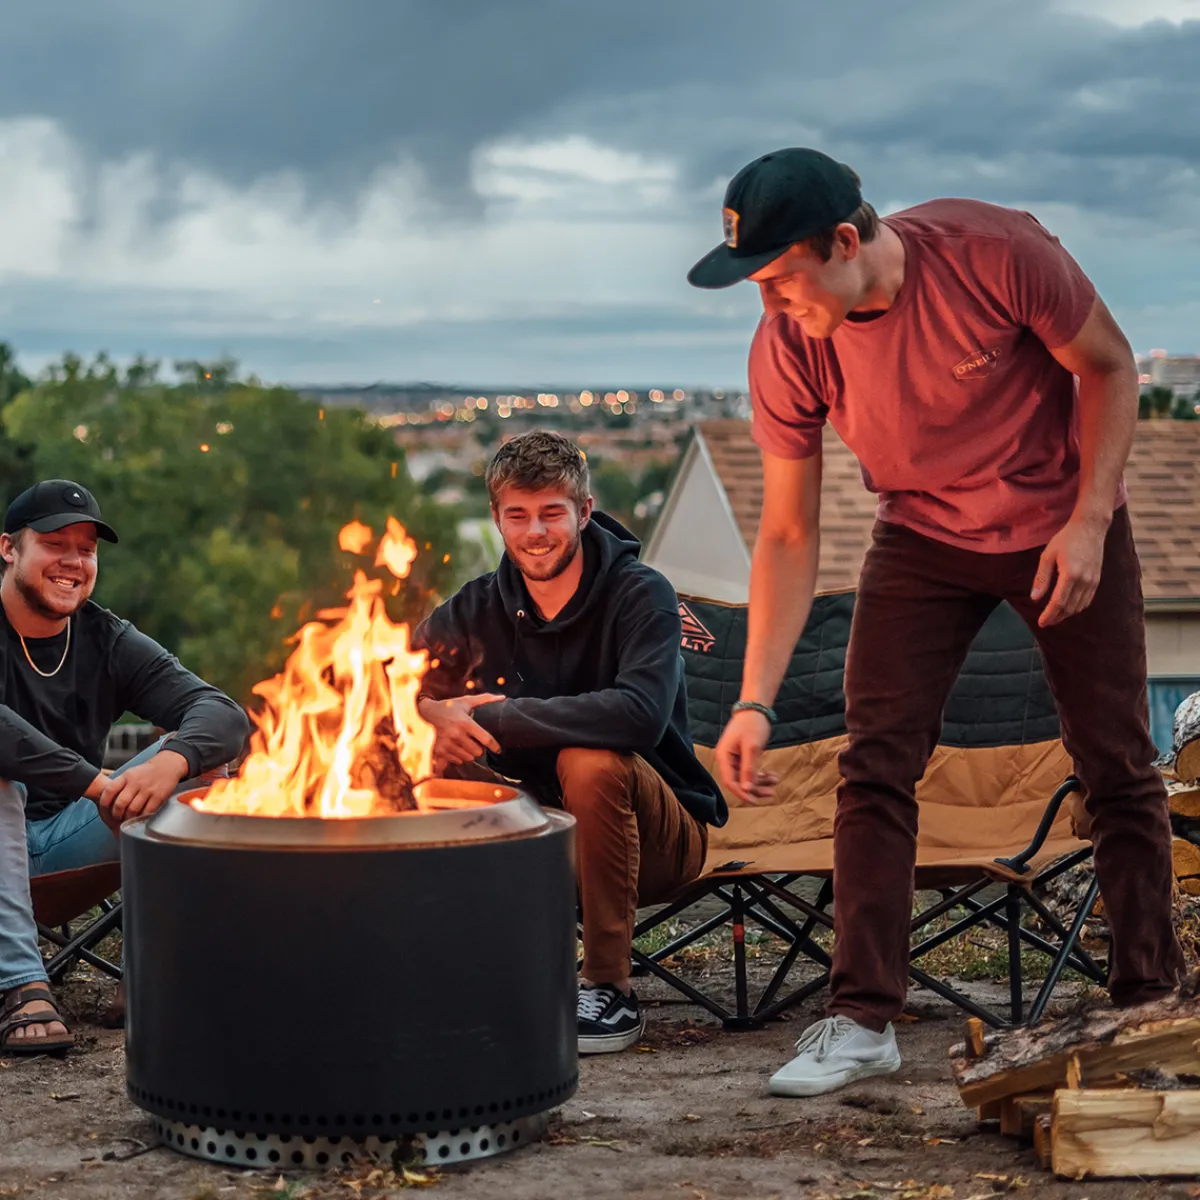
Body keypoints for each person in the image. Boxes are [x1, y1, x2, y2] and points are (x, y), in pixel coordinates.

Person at [687, 148, 1185, 1096]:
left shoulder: (995, 254)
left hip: (1061, 518)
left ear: (845, 241)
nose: (771, 305)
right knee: (874, 760)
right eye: (755, 286)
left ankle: (1145, 1001)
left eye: (783, 278)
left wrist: (1088, 523)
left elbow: (1110, 368)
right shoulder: (792, 343)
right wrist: (751, 700)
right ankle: (862, 1017)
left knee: (1116, 761)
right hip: (922, 534)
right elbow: (789, 533)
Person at [413, 429, 728, 1053]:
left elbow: (637, 715)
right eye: (518, 516)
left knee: (589, 759)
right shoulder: (476, 606)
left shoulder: (642, 595)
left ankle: (609, 984)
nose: (536, 532)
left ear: (583, 513)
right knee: (419, 756)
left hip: (658, 838)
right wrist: (429, 713)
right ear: (498, 520)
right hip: (536, 837)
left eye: (552, 513)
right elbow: (382, 685)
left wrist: (496, 719)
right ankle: (438, 961)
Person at [0, 480, 249, 1054]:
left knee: (203, 770)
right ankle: (21, 985)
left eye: (86, 549)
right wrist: (95, 783)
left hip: (65, 843)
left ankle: (156, 978)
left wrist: (173, 759)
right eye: (55, 543)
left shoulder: (105, 637)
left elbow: (221, 713)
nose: (74, 561)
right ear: (10, 548)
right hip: (27, 825)